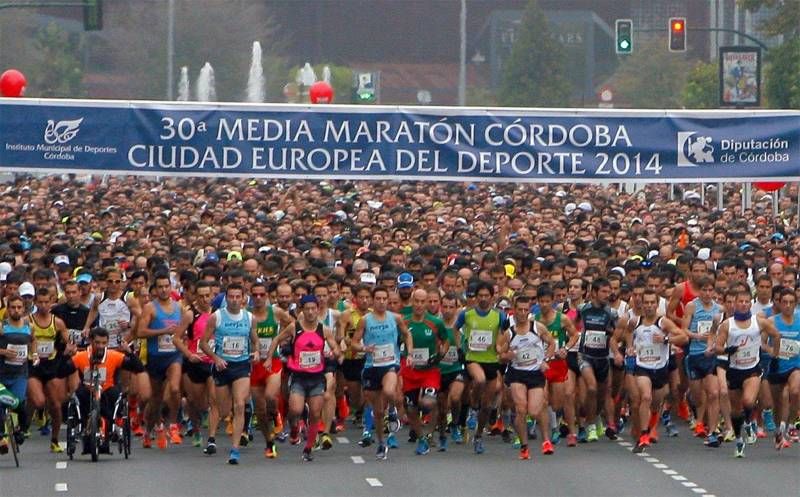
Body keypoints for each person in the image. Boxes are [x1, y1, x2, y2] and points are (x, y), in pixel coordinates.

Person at [264, 295, 341, 462]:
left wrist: (335, 352)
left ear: (318, 310)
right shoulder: (294, 327)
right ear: (302, 310)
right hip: (298, 377)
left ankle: (308, 447)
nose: (311, 312)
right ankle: (293, 428)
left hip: (316, 377)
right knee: (296, 410)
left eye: (314, 309)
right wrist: (270, 358)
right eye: (307, 309)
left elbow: (335, 346)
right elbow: (277, 339)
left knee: (314, 413)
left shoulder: (324, 329)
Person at [714, 289, 781, 458]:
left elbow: (776, 334)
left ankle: (750, 421)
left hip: (752, 368)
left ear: (750, 304)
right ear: (734, 304)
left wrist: (774, 353)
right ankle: (738, 440)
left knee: (748, 400)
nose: (743, 304)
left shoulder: (758, 322)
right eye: (740, 301)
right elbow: (717, 347)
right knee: (736, 410)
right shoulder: (727, 324)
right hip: (734, 369)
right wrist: (727, 349)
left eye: (746, 302)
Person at [199, 282, 259, 464]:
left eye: (237, 297)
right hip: (222, 367)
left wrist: (256, 353)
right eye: (231, 297)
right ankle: (217, 431)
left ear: (243, 299)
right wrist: (216, 358)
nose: (234, 300)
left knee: (240, 405)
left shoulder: (249, 318)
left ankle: (235, 450)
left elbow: (254, 340)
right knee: (224, 410)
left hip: (241, 366)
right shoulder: (216, 317)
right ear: (226, 298)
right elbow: (203, 343)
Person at [351, 286, 412, 460]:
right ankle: (380, 443)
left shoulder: (396, 318)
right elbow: (354, 343)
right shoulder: (365, 320)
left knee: (389, 391)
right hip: (372, 366)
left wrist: (410, 352)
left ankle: (392, 411)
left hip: (390, 364)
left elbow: (407, 335)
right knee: (377, 412)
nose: (381, 302)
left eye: (384, 298)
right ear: (372, 300)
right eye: (378, 298)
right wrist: (364, 347)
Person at [625, 290, 688, 453]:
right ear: (641, 304)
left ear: (657, 303)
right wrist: (630, 347)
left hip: (660, 368)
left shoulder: (663, 322)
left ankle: (651, 424)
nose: (649, 306)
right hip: (642, 366)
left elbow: (683, 337)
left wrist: (666, 339)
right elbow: (628, 334)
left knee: (656, 403)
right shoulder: (635, 322)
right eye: (646, 302)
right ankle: (644, 435)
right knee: (645, 396)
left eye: (652, 302)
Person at [137, 273, 191, 449]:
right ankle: (149, 430)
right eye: (160, 287)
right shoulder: (150, 308)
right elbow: (141, 332)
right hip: (155, 358)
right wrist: (163, 331)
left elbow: (185, 332)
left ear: (171, 287)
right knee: (156, 399)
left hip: (173, 355)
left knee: (175, 389)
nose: (163, 290)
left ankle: (173, 424)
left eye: (166, 286)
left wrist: (182, 339)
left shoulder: (179, 307)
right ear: (155, 289)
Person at [70, 327, 144, 455]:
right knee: (78, 395)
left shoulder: (114, 356)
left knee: (116, 395)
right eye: (97, 343)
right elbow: (61, 371)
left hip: (107, 390)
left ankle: (110, 427)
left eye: (104, 343)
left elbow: (139, 368)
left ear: (108, 343)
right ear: (91, 341)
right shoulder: (81, 357)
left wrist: (129, 353)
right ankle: (83, 427)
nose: (100, 346)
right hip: (87, 391)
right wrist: (66, 355)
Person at [499, 295, 556, 459]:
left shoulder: (538, 328)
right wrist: (507, 355)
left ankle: (546, 440)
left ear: (529, 311)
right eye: (520, 310)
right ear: (514, 311)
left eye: (526, 310)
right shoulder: (509, 333)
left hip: (535, 372)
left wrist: (546, 359)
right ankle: (524, 446)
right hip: (517, 373)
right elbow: (500, 355)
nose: (523, 313)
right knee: (521, 409)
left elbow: (551, 343)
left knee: (534, 410)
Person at [456, 281, 510, 454]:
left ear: (492, 297)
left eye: (487, 296)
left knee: (487, 406)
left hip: (491, 360)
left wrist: (501, 348)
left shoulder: (499, 316)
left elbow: (506, 334)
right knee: (479, 380)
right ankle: (473, 406)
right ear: (476, 297)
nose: (484, 299)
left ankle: (478, 435)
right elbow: (455, 330)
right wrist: (460, 347)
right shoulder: (467, 314)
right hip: (473, 358)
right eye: (481, 296)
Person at [248, 280, 293, 459]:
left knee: (269, 396)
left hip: (272, 362)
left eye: (262, 295)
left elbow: (294, 325)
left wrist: (280, 339)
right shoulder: (247, 315)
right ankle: (269, 442)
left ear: (267, 296)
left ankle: (276, 415)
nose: (258, 298)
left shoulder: (275, 312)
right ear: (250, 297)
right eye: (255, 295)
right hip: (253, 365)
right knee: (259, 409)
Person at [401, 288, 448, 455]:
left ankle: (429, 432)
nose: (419, 305)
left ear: (427, 302)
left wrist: (441, 354)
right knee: (411, 408)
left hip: (430, 370)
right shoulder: (404, 322)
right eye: (417, 301)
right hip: (410, 371)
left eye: (423, 301)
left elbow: (446, 340)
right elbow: (397, 343)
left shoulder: (435, 322)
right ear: (411, 302)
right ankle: (421, 438)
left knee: (428, 402)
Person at [26, 287, 72, 453]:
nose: (44, 305)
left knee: (56, 405)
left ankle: (54, 439)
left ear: (52, 302)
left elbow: (68, 342)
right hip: (34, 365)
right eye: (40, 302)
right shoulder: (28, 320)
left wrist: (70, 349)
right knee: (39, 401)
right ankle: (30, 417)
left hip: (52, 366)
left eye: (47, 302)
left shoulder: (57, 322)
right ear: (35, 302)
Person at [682, 275, 723, 446]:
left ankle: (712, 432)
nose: (707, 293)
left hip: (711, 356)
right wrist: (697, 335)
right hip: (695, 354)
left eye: (710, 290)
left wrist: (715, 340)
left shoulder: (719, 309)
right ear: (699, 291)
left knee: (713, 393)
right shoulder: (692, 307)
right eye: (704, 290)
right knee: (699, 397)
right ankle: (694, 407)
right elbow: (684, 329)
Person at [178, 280, 217, 449]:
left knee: (213, 400)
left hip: (213, 361)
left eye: (207, 296)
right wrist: (189, 354)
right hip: (195, 362)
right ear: (195, 297)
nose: (204, 299)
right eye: (200, 296)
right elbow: (176, 338)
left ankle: (211, 439)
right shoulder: (190, 314)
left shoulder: (219, 314)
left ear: (212, 296)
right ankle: (195, 428)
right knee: (194, 402)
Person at [0, 296, 36, 454]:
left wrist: (34, 354)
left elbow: (33, 341)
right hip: (2, 374)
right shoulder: (2, 326)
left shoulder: (29, 326)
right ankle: (1, 437)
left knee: (19, 403)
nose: (16, 310)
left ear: (23, 309)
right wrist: (3, 352)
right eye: (13, 307)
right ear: (8, 309)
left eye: (19, 307)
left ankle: (20, 429)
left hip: (20, 374)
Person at [767, 288, 800, 450]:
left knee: (793, 391)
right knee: (778, 402)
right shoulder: (772, 321)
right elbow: (762, 343)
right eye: (784, 302)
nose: (788, 306)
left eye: (791, 302)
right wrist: (772, 351)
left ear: (795, 304)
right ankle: (779, 431)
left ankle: (792, 425)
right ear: (779, 303)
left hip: (795, 365)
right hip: (777, 365)